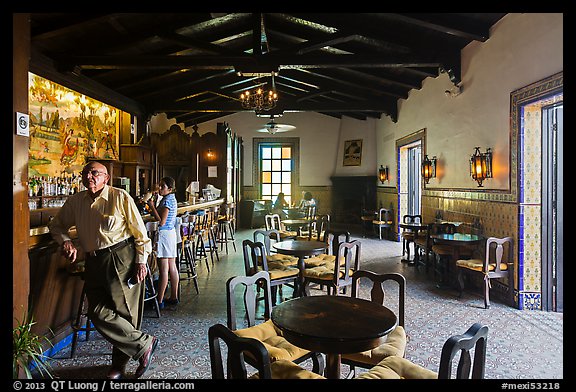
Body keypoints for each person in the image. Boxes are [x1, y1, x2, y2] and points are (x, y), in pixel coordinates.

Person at [48, 161, 157, 380]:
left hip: (121, 258)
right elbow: (56, 226)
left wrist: (141, 261)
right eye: (86, 173)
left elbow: (140, 233)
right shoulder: (75, 201)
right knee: (96, 311)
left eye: (95, 173)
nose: (90, 176)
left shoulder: (120, 197)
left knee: (125, 313)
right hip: (93, 261)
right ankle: (143, 344)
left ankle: (118, 366)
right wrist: (66, 242)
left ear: (106, 178)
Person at [146, 177, 179, 309]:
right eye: (159, 185)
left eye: (162, 186)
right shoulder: (171, 199)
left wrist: (152, 207)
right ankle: (173, 297)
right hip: (171, 234)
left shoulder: (167, 201)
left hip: (164, 234)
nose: (159, 188)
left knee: (164, 269)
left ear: (169, 189)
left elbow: (161, 221)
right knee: (172, 266)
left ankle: (159, 301)